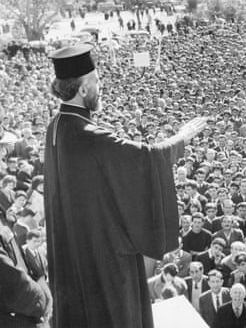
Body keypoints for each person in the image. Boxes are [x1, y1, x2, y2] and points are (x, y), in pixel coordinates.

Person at [44, 44, 207, 328]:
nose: (101, 86)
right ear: (82, 90)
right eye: (96, 81)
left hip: (76, 247)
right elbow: (146, 158)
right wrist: (182, 137)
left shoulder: (57, 126)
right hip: (102, 255)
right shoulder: (88, 135)